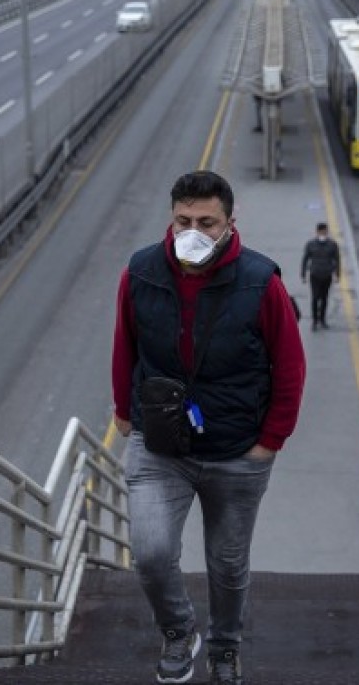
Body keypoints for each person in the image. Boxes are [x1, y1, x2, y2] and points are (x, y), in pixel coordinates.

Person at [111, 170, 306, 685]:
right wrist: (124, 414)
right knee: (151, 553)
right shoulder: (141, 272)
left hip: (237, 452)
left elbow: (290, 365)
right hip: (160, 446)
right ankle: (179, 631)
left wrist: (271, 441)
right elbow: (125, 348)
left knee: (227, 563)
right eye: (182, 221)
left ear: (229, 224)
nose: (192, 231)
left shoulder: (262, 281)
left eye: (206, 222)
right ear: (170, 219)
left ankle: (224, 646)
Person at [300, 222, 340, 329]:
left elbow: (337, 260)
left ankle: (322, 320)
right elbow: (305, 259)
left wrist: (337, 274)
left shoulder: (332, 244)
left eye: (325, 231)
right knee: (315, 297)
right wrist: (303, 274)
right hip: (315, 275)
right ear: (317, 232)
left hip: (327, 275)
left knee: (324, 298)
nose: (323, 233)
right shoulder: (311, 244)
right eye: (322, 231)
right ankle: (314, 321)